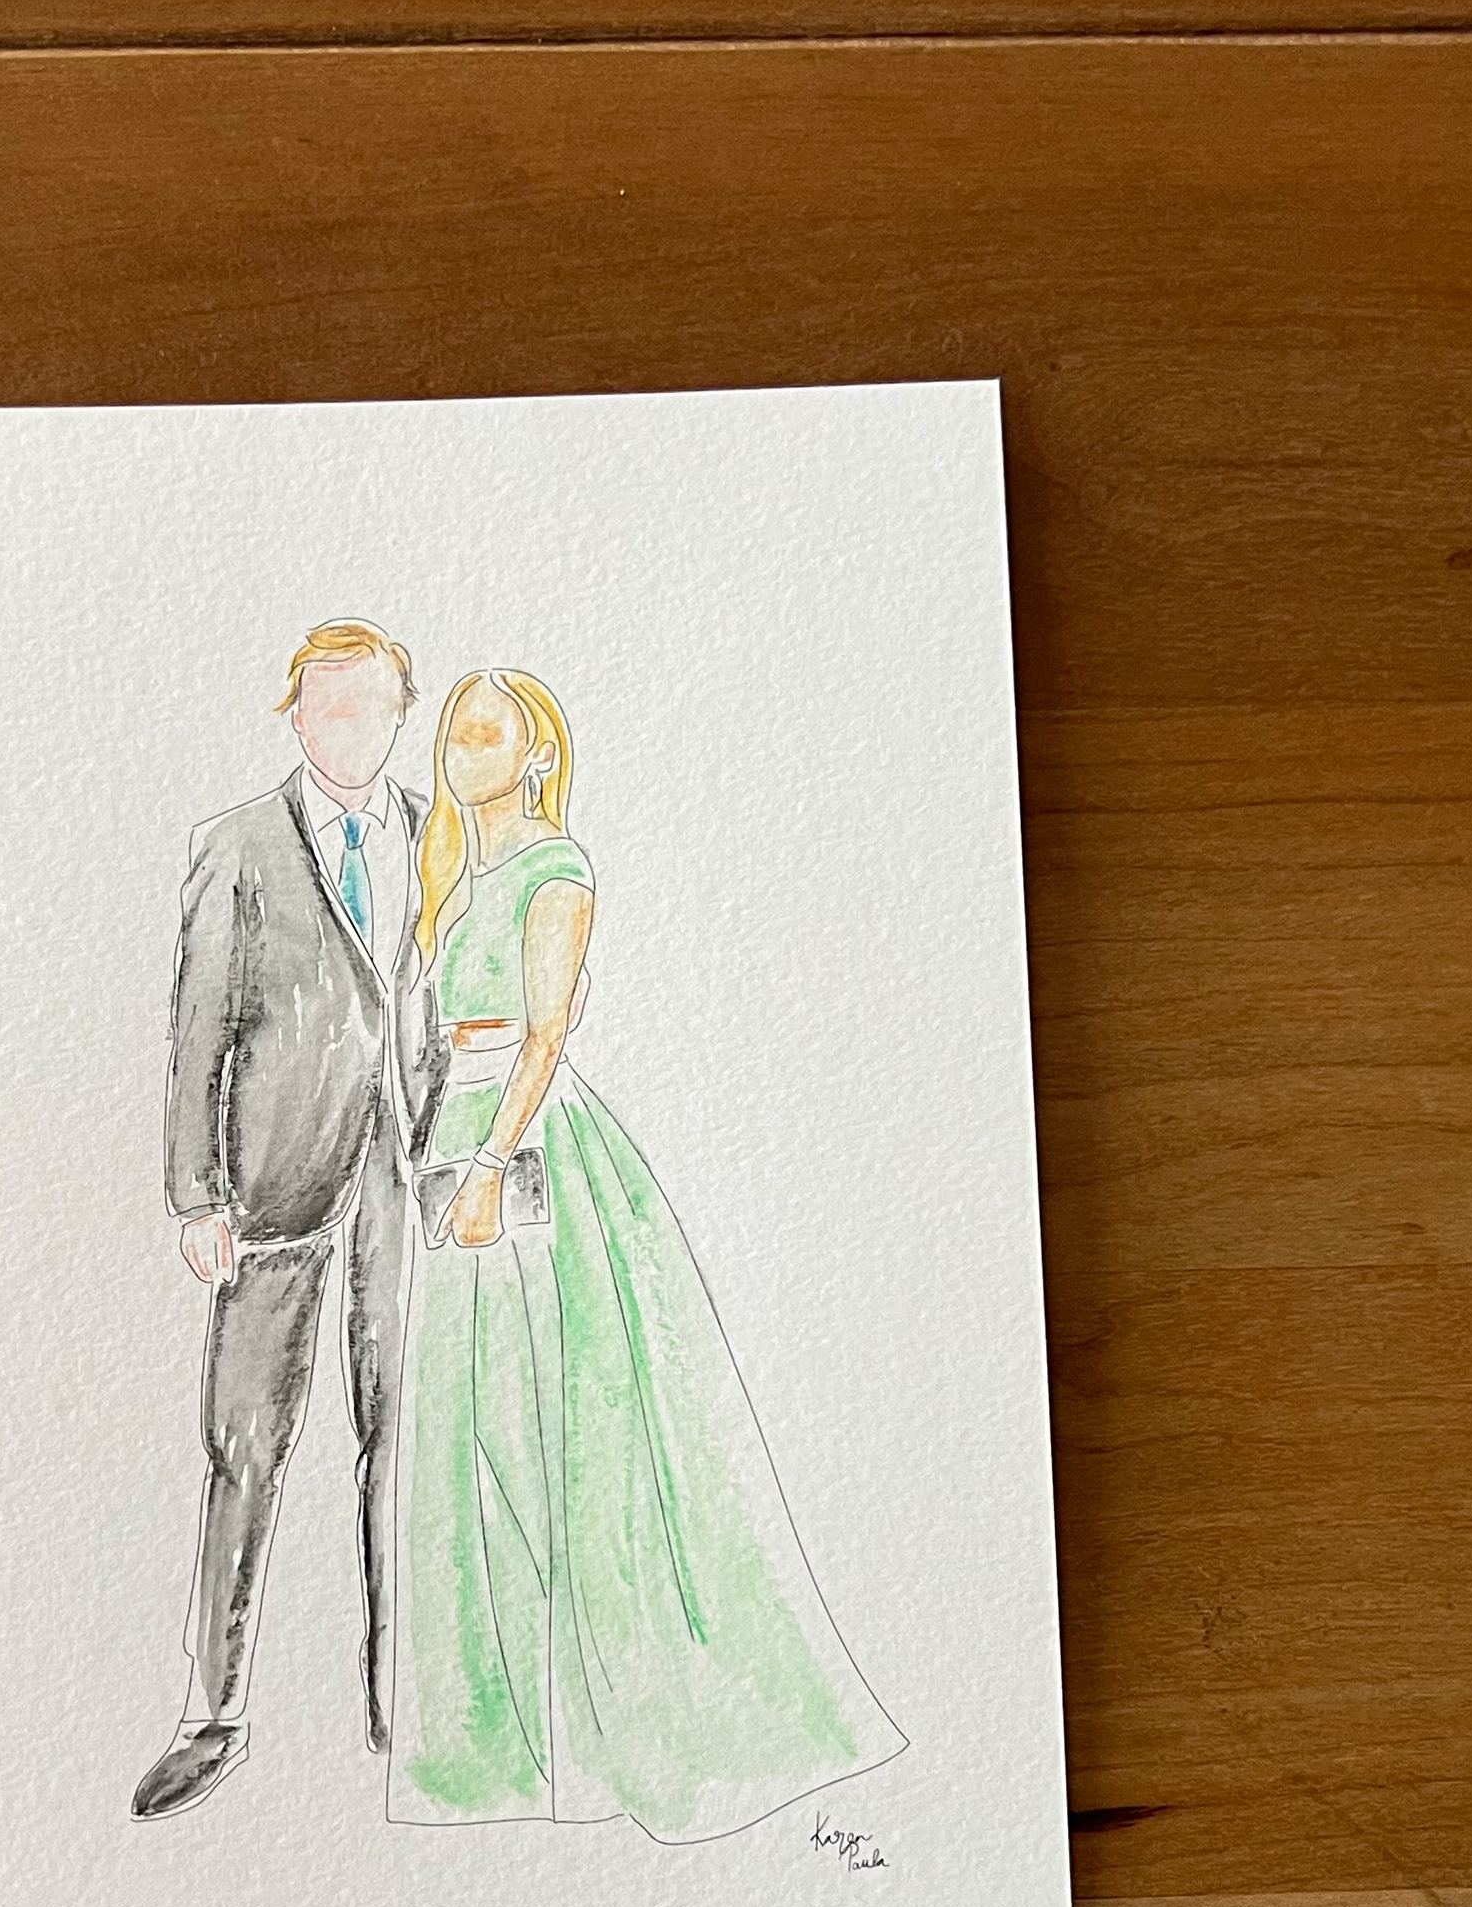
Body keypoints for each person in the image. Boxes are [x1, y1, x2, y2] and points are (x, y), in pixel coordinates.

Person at [394, 667, 905, 1839]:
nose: (462, 754)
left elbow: (544, 1035)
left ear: (534, 754)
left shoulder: (554, 869)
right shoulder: (455, 878)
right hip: (454, 1144)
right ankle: (501, 1753)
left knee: (550, 1429)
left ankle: (599, 1739)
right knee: (473, 1441)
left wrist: (486, 1168)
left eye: (486, 735)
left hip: (521, 1154)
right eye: (454, 736)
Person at [139, 620, 444, 1821]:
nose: (348, 728)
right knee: (245, 1446)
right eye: (327, 706)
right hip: (271, 1190)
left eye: (371, 707)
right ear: (296, 716)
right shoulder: (237, 844)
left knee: (401, 1437)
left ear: (402, 716)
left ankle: (398, 1706)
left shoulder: (439, 833)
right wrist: (196, 1193)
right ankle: (213, 1716)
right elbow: (198, 1028)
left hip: (402, 1184)